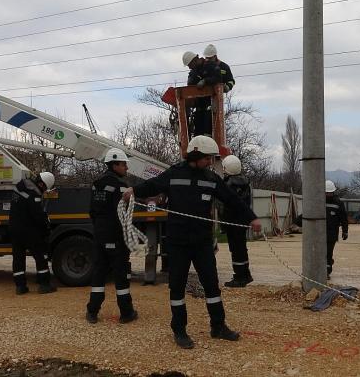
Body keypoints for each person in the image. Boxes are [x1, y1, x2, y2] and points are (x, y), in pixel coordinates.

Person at [121, 135, 262, 350]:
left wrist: (251, 217)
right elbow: (152, 185)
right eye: (208, 158)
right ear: (196, 155)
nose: (211, 162)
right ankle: (179, 329)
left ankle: (218, 326)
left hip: (202, 242)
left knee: (211, 285)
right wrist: (134, 191)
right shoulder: (174, 174)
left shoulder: (211, 178)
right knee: (177, 287)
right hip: (177, 243)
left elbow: (232, 199)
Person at [86, 148, 138, 325]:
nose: (126, 168)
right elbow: (126, 214)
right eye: (124, 164)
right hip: (116, 235)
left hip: (100, 234)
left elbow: (92, 211)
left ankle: (92, 312)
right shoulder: (121, 186)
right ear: (114, 164)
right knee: (121, 275)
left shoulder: (96, 184)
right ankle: (126, 312)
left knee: (99, 274)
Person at [9, 171, 58, 295]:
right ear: (42, 184)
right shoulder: (34, 195)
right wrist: (46, 227)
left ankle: (20, 286)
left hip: (14, 229)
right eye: (45, 188)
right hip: (30, 231)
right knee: (40, 256)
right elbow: (38, 217)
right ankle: (44, 285)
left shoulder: (19, 187)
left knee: (18, 258)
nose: (44, 190)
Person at [221, 155, 254, 287]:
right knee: (241, 248)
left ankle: (240, 277)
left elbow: (227, 204)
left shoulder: (228, 185)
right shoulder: (245, 183)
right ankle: (246, 274)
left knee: (236, 250)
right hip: (242, 221)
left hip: (232, 222)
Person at [184, 50, 222, 137]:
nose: (189, 68)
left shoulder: (211, 66)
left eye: (190, 65)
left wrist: (205, 81)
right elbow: (190, 86)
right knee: (198, 136)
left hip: (211, 107)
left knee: (208, 135)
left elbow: (218, 78)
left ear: (195, 60)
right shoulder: (194, 72)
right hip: (199, 109)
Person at [324, 180, 348, 277]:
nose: (328, 195)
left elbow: (343, 218)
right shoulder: (318, 201)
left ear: (333, 192)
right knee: (320, 252)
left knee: (329, 252)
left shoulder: (338, 203)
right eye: (326, 193)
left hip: (332, 233)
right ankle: (322, 267)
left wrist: (345, 231)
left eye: (330, 193)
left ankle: (327, 271)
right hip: (320, 233)